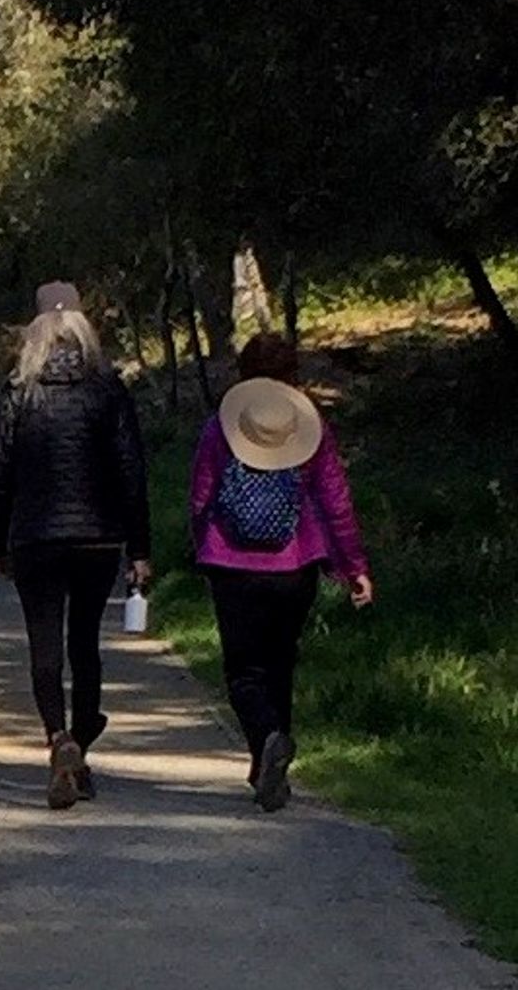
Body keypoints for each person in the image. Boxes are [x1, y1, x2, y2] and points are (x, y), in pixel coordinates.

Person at [0, 284, 148, 809]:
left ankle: (59, 739)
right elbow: (131, 472)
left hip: (35, 537)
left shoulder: (17, 390)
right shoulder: (108, 390)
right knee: (86, 643)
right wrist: (139, 546)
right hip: (98, 537)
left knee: (44, 645)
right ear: (82, 326)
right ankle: (84, 748)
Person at [193, 332, 373, 812]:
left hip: (232, 564)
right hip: (295, 565)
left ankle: (266, 739)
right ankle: (271, 761)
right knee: (279, 664)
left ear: (244, 373)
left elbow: (201, 496)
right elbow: (336, 503)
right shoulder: (310, 428)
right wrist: (353, 566)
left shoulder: (221, 429)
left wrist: (200, 548)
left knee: (242, 671)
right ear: (294, 373)